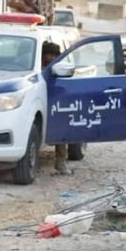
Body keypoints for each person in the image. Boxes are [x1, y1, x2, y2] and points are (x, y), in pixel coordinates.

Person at [41, 41, 72, 176]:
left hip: (54, 106)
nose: (52, 58)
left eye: (55, 55)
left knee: (62, 127)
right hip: (37, 104)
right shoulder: (36, 69)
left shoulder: (60, 69)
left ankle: (61, 161)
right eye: (49, 54)